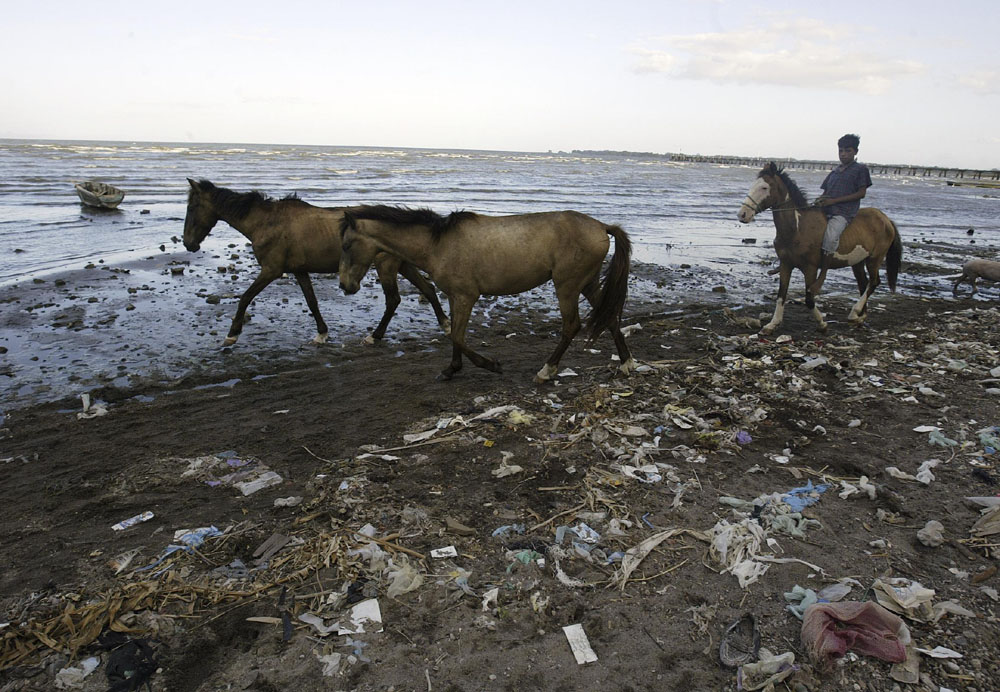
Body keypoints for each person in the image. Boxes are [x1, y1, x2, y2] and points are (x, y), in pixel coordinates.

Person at [809, 133, 872, 293]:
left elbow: (861, 193)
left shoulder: (860, 170)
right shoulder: (835, 171)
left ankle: (822, 276)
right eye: (841, 151)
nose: (843, 154)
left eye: (847, 151)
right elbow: (825, 192)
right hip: (826, 209)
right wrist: (820, 200)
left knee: (830, 237)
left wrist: (834, 201)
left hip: (843, 212)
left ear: (855, 152)